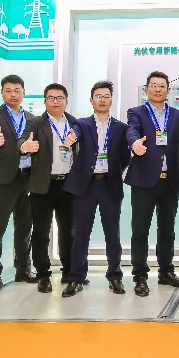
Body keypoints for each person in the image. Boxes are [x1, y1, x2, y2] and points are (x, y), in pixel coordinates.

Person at [62, 81, 131, 297]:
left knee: (113, 233)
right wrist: (71, 137)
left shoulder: (120, 127)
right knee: (81, 233)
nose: (102, 99)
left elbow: (125, 157)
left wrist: (114, 171)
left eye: (106, 96)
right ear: (91, 100)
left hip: (110, 184)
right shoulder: (81, 124)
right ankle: (76, 278)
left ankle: (115, 276)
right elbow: (75, 133)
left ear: (111, 100)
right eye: (98, 96)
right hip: (86, 186)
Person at [125, 71, 179, 297]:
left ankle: (166, 271)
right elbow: (132, 130)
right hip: (143, 180)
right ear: (146, 89)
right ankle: (140, 275)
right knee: (140, 230)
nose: (158, 89)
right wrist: (134, 143)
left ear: (168, 90)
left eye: (162, 86)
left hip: (170, 180)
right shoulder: (136, 112)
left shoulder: (178, 115)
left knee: (167, 230)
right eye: (153, 85)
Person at [17, 83, 78, 293]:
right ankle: (43, 274)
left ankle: (69, 271)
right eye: (51, 98)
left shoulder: (74, 123)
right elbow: (22, 140)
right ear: (45, 101)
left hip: (68, 184)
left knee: (68, 230)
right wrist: (25, 146)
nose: (55, 101)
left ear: (66, 101)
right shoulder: (35, 123)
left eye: (59, 98)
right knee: (41, 232)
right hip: (43, 185)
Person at [0, 75, 37, 288]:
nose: (13, 94)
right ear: (2, 92)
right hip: (3, 179)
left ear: (23, 92)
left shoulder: (32, 118)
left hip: (28, 178)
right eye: (8, 91)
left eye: (17, 90)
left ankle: (23, 269)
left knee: (24, 227)